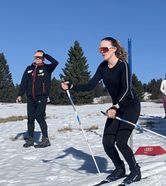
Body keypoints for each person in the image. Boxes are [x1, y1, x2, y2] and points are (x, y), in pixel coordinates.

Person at [61, 37, 141, 184]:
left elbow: (127, 89)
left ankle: (135, 170)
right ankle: (119, 168)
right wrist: (72, 86)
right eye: (100, 49)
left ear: (114, 49)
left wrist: (115, 106)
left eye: (104, 49)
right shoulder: (103, 67)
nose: (101, 52)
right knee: (107, 141)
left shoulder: (123, 65)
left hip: (130, 106)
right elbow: (90, 85)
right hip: (116, 107)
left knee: (121, 142)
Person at [17, 50, 59, 148]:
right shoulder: (29, 68)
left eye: (39, 57)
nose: (37, 58)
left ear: (43, 58)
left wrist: (45, 54)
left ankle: (45, 139)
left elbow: (55, 62)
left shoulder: (47, 68)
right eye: (36, 56)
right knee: (30, 118)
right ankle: (30, 139)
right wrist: (19, 95)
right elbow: (24, 82)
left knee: (39, 116)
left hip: (42, 96)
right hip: (30, 98)